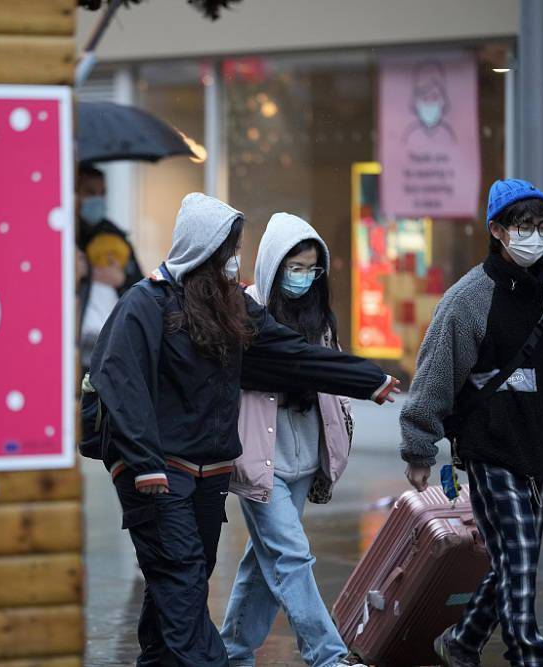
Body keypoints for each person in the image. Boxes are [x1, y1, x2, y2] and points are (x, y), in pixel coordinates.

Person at [87, 193, 400, 666]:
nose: (233, 263)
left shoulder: (229, 308)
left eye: (234, 251)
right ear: (201, 251)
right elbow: (119, 381)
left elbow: (291, 353)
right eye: (226, 252)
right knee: (182, 576)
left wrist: (367, 378)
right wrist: (145, 462)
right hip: (158, 475)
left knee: (182, 578)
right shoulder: (145, 304)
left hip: (208, 472)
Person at [399, 179, 543, 667]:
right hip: (491, 449)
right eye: (524, 226)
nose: (535, 237)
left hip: (541, 453)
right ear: (497, 230)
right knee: (520, 570)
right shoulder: (468, 301)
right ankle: (529, 657)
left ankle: (461, 641)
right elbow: (435, 375)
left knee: (510, 566)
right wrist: (419, 447)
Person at [221, 213, 363, 667]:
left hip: (304, 459)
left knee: (264, 566)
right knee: (292, 557)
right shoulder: (247, 313)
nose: (303, 278)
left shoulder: (319, 318)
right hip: (260, 458)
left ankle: (232, 653)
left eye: (311, 268)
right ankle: (328, 655)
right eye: (294, 267)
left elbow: (330, 374)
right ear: (274, 264)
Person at [75, 164, 144, 366]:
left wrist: (122, 279)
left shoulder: (115, 237)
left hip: (107, 341)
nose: (98, 199)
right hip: (72, 333)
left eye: (102, 193)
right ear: (75, 194)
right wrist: (87, 274)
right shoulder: (65, 233)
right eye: (90, 192)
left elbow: (139, 286)